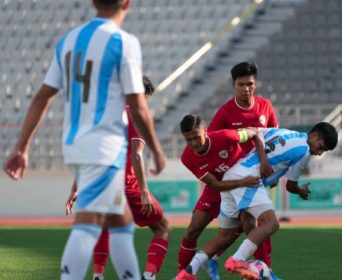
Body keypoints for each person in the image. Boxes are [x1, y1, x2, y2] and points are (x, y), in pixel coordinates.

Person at [3, 1, 166, 279]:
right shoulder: (123, 42)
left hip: (77, 145)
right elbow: (138, 107)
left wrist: (22, 146)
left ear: (92, 2)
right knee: (89, 225)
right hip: (104, 147)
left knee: (120, 225)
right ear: (127, 3)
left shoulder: (69, 41)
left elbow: (42, 96)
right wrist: (157, 151)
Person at [176, 122, 338, 280]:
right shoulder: (304, 151)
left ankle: (188, 272)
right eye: (321, 147)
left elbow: (256, 132)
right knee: (271, 223)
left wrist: (265, 162)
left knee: (226, 236)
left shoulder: (282, 132)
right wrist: (301, 191)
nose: (319, 152)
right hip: (248, 179)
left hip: (231, 176)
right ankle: (238, 260)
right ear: (314, 135)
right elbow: (291, 185)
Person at [65, 77, 170, 280]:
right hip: (127, 187)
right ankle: (149, 275)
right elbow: (136, 154)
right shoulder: (138, 116)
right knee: (162, 227)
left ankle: (97, 275)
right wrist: (144, 191)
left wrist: (75, 187)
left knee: (104, 226)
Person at [205, 61, 279, 279]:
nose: (246, 88)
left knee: (252, 224)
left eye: (250, 84)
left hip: (258, 175)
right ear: (233, 85)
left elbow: (274, 137)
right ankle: (261, 268)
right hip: (236, 176)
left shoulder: (265, 106)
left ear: (256, 83)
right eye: (241, 84)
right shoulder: (226, 111)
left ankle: (219, 259)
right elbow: (211, 139)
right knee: (253, 224)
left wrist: (272, 171)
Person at [177, 114, 274, 273]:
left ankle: (265, 272)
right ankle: (182, 274)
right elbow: (214, 184)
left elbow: (255, 133)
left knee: (250, 226)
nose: (193, 143)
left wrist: (264, 162)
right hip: (220, 186)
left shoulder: (226, 136)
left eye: (196, 137)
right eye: (188, 140)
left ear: (205, 131)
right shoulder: (187, 157)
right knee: (192, 230)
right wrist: (240, 183)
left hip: (243, 181)